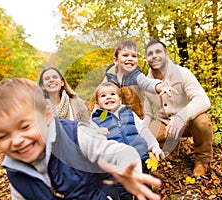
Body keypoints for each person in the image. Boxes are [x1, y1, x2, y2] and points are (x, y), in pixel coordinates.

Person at [0, 78, 162, 200]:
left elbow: (120, 152)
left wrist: (130, 171)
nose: (17, 140)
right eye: (3, 136)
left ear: (47, 116)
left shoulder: (75, 136)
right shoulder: (15, 172)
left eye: (25, 126)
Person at [143, 39, 213, 177]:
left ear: (166, 54)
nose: (154, 56)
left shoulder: (183, 73)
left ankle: (202, 161)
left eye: (158, 51)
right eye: (150, 53)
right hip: (165, 124)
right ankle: (171, 147)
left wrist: (181, 116)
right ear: (146, 59)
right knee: (148, 133)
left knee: (203, 122)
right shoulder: (146, 83)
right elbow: (147, 113)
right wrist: (142, 133)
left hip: (188, 121)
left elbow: (203, 101)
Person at [91, 82, 164, 199]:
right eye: (103, 96)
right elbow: (91, 142)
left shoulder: (129, 113)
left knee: (144, 187)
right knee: (123, 191)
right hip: (118, 165)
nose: (108, 97)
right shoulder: (96, 120)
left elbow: (143, 131)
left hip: (140, 158)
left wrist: (155, 146)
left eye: (113, 94)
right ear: (98, 103)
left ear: (120, 100)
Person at [103, 40, 167, 120]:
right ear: (116, 60)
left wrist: (159, 86)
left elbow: (147, 83)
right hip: (115, 116)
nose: (130, 59)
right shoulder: (110, 77)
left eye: (134, 56)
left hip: (136, 117)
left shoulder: (136, 75)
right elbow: (101, 92)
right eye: (125, 55)